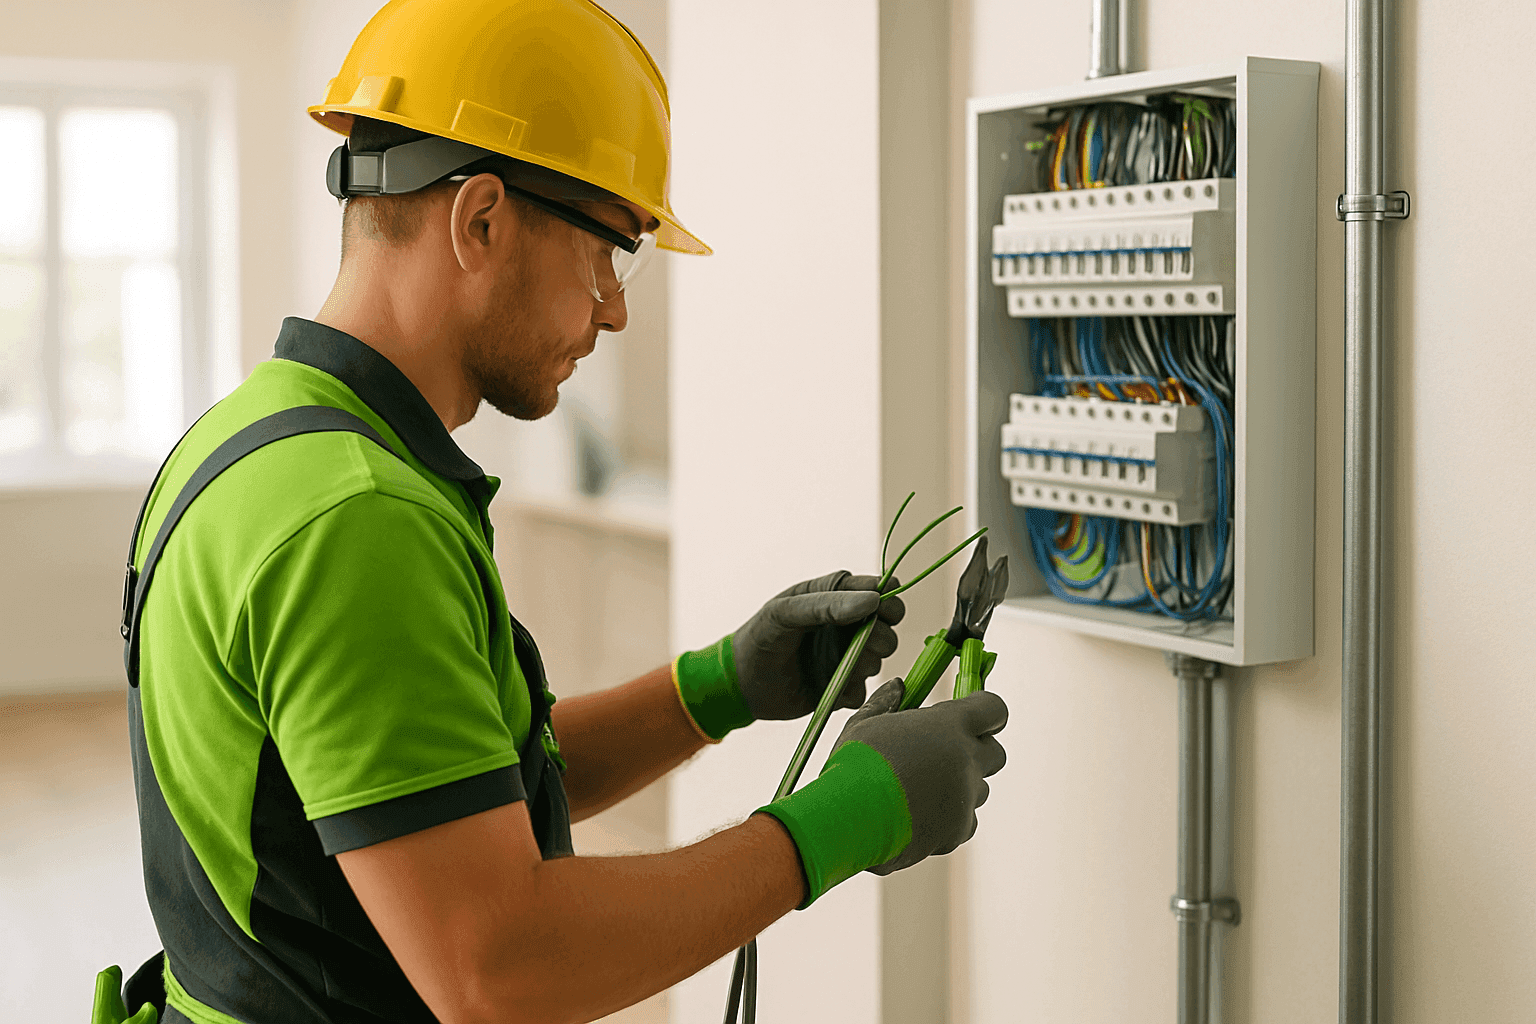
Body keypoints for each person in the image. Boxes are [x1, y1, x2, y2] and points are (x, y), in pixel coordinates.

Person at [110, 2, 1009, 1022]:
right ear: (480, 220)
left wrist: (720, 684)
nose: (615, 307)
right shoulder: (355, 519)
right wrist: (849, 816)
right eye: (609, 250)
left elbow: (445, 801)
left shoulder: (252, 440)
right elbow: (503, 970)